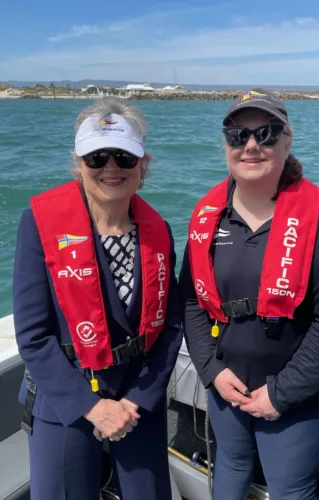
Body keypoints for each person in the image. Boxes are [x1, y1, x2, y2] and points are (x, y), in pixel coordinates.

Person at [179, 88, 319, 500]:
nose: (250, 146)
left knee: (290, 489)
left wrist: (282, 393)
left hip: (297, 397)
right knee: (228, 465)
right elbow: (191, 300)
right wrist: (211, 370)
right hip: (226, 385)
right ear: (225, 143)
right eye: (237, 135)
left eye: (266, 133)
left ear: (287, 139)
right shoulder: (207, 217)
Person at [13, 97, 182, 500]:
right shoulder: (38, 224)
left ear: (143, 165)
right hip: (65, 403)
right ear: (78, 164)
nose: (111, 167)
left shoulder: (159, 231)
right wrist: (90, 407)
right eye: (97, 157)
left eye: (124, 157)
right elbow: (34, 335)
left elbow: (170, 326)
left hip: (137, 402)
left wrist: (136, 401)